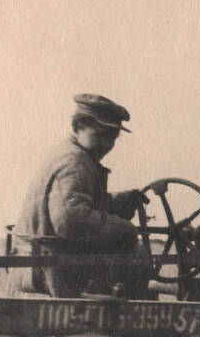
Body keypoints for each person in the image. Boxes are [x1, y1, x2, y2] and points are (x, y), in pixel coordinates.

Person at [16, 93, 150, 298]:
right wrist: (124, 227)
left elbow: (79, 204)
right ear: (79, 125)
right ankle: (127, 320)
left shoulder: (73, 154)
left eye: (113, 137)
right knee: (138, 255)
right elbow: (71, 219)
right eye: (102, 134)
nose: (108, 143)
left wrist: (121, 202)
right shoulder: (75, 162)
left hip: (44, 256)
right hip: (50, 264)